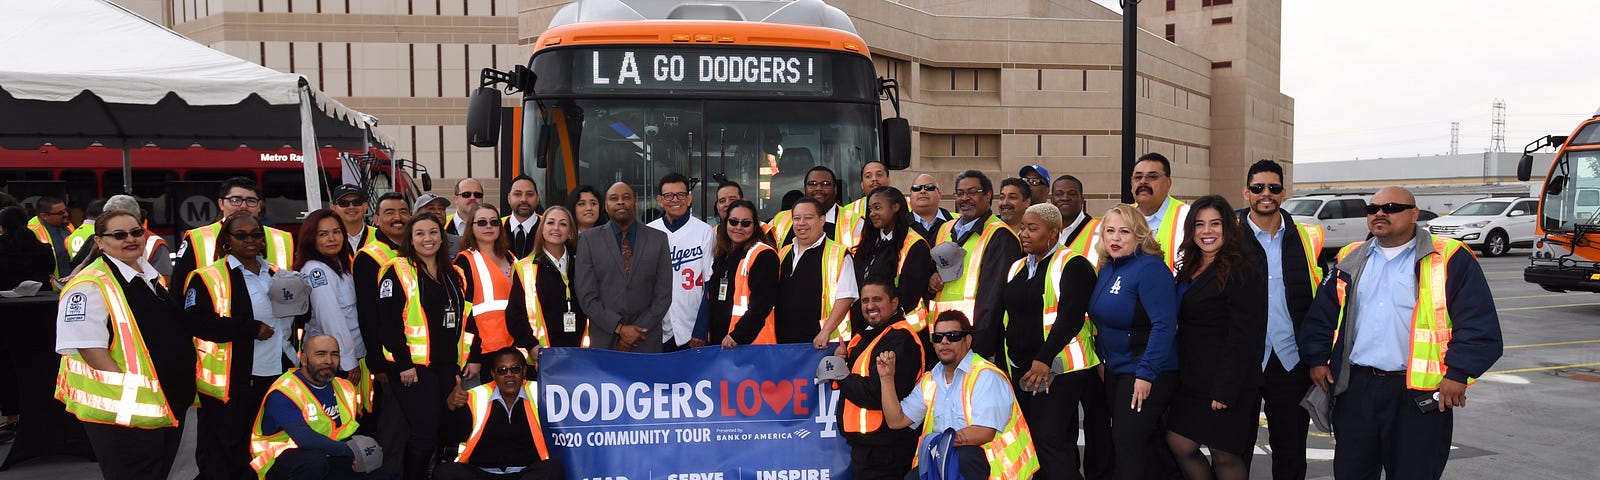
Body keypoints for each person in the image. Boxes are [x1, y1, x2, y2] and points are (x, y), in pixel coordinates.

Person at [1299, 187, 1502, 479]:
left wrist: (1458, 373)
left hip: (1418, 396)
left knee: (1415, 472)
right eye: (1373, 209)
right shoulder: (1351, 258)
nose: (1380, 213)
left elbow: (1478, 322)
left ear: (1414, 214)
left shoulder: (1448, 257)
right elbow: (1323, 314)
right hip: (1356, 390)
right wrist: (1317, 359)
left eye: (1392, 207)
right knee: (1352, 471)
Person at [55, 210, 195, 480]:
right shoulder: (88, 285)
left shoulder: (147, 276)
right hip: (124, 414)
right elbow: (89, 348)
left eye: (135, 232)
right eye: (118, 235)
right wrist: (129, 393)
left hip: (163, 405)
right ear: (99, 242)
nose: (130, 239)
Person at [184, 213, 302, 480]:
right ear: (227, 240)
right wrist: (247, 329)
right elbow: (195, 322)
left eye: (256, 235)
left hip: (277, 376)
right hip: (233, 382)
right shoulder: (206, 277)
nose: (251, 240)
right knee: (226, 455)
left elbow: (294, 321)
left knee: (267, 449)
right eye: (241, 235)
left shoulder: (276, 274)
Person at [997, 203, 1102, 480]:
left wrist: (1043, 359)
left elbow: (1071, 317)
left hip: (1059, 368)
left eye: (1033, 228)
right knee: (1041, 439)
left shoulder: (1074, 264)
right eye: (1023, 228)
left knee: (1049, 440)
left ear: (1053, 233)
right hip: (1022, 368)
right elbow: (1009, 317)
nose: (1024, 234)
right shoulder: (1017, 267)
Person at [1166, 195, 1268, 480]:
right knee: (1179, 442)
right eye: (1199, 224)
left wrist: (1225, 389)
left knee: (1225, 454)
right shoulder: (1189, 266)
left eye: (1215, 224)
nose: (1206, 231)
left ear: (1229, 228)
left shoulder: (1242, 271)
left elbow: (1245, 337)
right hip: (1193, 375)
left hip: (1225, 380)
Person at [874, 311, 1040, 480]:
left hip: (996, 472)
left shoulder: (986, 376)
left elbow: (984, 432)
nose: (944, 342)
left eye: (953, 336)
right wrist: (886, 378)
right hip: (949, 466)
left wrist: (940, 444)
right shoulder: (931, 379)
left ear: (968, 341)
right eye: (938, 337)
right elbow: (897, 420)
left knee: (964, 456)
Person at [1238, 159, 1323, 480]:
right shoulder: (1229, 237)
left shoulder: (1307, 237)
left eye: (1273, 188)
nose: (1266, 194)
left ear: (1283, 192)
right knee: (1235, 448)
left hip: (1291, 362)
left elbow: (1320, 304)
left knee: (1290, 450)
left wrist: (1317, 356)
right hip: (1245, 362)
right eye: (1258, 188)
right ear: (1246, 192)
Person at [378, 213, 476, 477]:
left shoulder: (456, 274)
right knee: (424, 432)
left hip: (447, 366)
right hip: (413, 369)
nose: (427, 238)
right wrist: (404, 364)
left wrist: (470, 358)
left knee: (454, 423)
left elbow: (468, 317)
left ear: (442, 238)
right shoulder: (396, 271)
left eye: (433, 232)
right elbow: (388, 324)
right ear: (410, 239)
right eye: (419, 233)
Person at [1086, 204, 1179, 480]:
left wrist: (1146, 374)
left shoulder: (1150, 269)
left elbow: (1165, 325)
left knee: (1128, 447)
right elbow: (1102, 320)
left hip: (1146, 372)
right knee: (1133, 446)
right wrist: (1103, 358)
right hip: (1116, 370)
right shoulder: (1108, 267)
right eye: (1110, 231)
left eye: (1124, 232)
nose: (1115, 238)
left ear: (1139, 235)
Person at [249, 335, 389, 480]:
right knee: (313, 462)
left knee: (381, 473)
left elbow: (349, 430)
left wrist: (364, 453)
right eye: (320, 354)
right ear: (304, 360)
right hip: (283, 462)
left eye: (334, 354)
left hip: (328, 453)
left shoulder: (343, 387)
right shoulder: (285, 391)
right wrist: (353, 451)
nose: (329, 361)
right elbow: (305, 439)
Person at [833, 278, 926, 479]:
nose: (870, 306)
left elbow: (875, 393)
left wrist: (841, 375)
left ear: (894, 303)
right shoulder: (873, 336)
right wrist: (844, 361)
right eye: (865, 300)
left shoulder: (900, 339)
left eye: (877, 299)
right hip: (869, 448)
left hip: (887, 450)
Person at [929, 170, 1021, 361]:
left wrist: (978, 346)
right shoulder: (946, 228)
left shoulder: (1001, 236)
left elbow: (994, 297)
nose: (965, 198)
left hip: (975, 342)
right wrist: (931, 280)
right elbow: (932, 271)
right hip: (942, 338)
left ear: (988, 195)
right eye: (960, 193)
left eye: (972, 192)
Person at [574, 182, 673, 352]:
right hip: (605, 340)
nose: (620, 202)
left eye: (626, 198)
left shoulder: (659, 239)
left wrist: (636, 331)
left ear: (635, 204)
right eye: (614, 198)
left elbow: (663, 295)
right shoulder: (589, 241)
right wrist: (620, 329)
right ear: (606, 206)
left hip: (645, 339)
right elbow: (587, 296)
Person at [434, 348, 562, 479]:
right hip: (483, 473)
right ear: (493, 374)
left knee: (552, 468)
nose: (509, 374)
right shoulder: (475, 397)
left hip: (525, 473)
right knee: (445, 471)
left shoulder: (541, 394)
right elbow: (450, 437)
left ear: (524, 371)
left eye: (515, 369)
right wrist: (450, 406)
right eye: (502, 370)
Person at [352, 193, 410, 464]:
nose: (397, 218)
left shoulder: (415, 249)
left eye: (402, 211)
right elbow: (369, 315)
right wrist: (379, 365)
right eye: (389, 213)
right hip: (389, 362)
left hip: (415, 357)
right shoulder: (369, 257)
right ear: (375, 220)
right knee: (393, 429)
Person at [296, 208, 370, 409]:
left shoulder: (338, 265)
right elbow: (331, 318)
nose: (332, 238)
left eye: (337, 232)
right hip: (335, 362)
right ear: (311, 238)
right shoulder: (317, 270)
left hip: (351, 355)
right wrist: (346, 361)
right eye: (323, 234)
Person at [172, 176, 295, 296]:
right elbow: (178, 289)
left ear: (260, 206)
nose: (243, 206)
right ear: (221, 204)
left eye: (251, 201)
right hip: (216, 314)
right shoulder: (197, 238)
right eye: (235, 200)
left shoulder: (282, 239)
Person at [850, 186, 935, 337]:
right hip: (868, 326)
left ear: (895, 207)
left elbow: (908, 296)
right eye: (870, 209)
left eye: (877, 207)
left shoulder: (915, 244)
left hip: (903, 331)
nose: (872, 214)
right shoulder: (869, 241)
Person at [506, 206, 587, 359]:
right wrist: (532, 346)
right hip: (542, 355)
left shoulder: (582, 264)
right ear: (542, 229)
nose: (556, 228)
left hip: (580, 354)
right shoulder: (525, 268)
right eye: (550, 223)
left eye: (563, 224)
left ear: (570, 232)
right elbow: (514, 315)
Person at [776, 197, 859, 348]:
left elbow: (846, 297)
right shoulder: (783, 253)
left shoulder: (839, 254)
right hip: (785, 343)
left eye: (808, 218)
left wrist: (826, 331)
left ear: (822, 220)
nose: (801, 223)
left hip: (823, 343)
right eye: (796, 218)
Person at [647, 173, 716, 351]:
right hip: (658, 329)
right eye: (668, 195)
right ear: (660, 200)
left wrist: (702, 328)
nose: (675, 200)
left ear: (690, 199)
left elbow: (709, 284)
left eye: (681, 195)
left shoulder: (705, 231)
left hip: (692, 326)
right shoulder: (649, 232)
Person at [706, 200, 779, 347]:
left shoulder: (763, 255)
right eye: (733, 222)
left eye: (746, 223)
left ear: (755, 226)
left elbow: (761, 304)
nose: (738, 227)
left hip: (747, 344)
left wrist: (738, 336)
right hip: (719, 341)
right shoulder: (721, 255)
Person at [456, 204, 517, 372]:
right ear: (471, 228)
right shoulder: (465, 261)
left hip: (516, 345)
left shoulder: (511, 257)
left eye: (494, 222)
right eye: (481, 222)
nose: (489, 226)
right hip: (485, 351)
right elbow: (464, 312)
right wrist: (474, 356)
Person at [1130, 153, 1190, 271]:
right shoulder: (1121, 217)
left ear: (1168, 183)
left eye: (1152, 177)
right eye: (1138, 177)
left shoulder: (1187, 216)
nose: (1143, 182)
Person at [771, 166, 845, 246]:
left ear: (835, 189)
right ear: (805, 188)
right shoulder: (780, 220)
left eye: (825, 184)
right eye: (812, 184)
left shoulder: (854, 223)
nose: (818, 188)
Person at [837, 161, 891, 249]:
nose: (874, 179)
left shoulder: (907, 205)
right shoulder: (847, 211)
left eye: (879, 175)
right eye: (868, 176)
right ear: (862, 184)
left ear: (888, 179)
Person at [26, 195, 74, 283]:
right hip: (48, 288)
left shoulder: (67, 225)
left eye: (66, 210)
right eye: (60, 213)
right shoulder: (31, 232)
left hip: (70, 282)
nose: (66, 214)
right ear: (44, 216)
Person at [504, 175, 543, 259]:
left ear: (538, 198)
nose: (524, 199)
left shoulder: (548, 227)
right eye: (517, 194)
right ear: (509, 198)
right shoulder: (497, 227)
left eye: (530, 194)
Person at [907, 173, 956, 240]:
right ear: (910, 196)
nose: (923, 191)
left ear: (939, 195)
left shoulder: (956, 223)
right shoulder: (900, 225)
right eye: (917, 188)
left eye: (929, 187)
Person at [1052, 174, 1095, 250]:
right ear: (1052, 200)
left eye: (1072, 194)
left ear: (1082, 199)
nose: (1065, 198)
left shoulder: (1098, 231)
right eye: (1059, 194)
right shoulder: (1045, 230)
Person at [332, 184, 378, 252]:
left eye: (357, 202)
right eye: (343, 203)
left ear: (365, 207)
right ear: (333, 208)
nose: (351, 207)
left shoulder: (380, 236)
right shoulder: (329, 239)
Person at [417, 194, 463, 259]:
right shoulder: (407, 243)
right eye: (431, 208)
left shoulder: (460, 243)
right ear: (416, 214)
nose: (438, 212)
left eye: (441, 208)